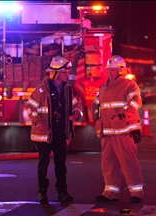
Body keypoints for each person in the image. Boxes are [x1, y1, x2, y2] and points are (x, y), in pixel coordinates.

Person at [25, 56, 82, 203]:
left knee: (61, 164)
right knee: (43, 163)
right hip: (44, 134)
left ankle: (62, 192)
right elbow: (30, 107)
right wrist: (37, 121)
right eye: (64, 72)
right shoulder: (41, 90)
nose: (67, 74)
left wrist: (76, 113)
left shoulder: (67, 89)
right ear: (55, 73)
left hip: (60, 132)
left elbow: (76, 106)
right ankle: (42, 192)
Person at [91, 55, 144, 203]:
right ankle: (110, 193)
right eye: (109, 70)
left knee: (128, 162)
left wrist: (121, 115)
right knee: (108, 162)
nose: (109, 72)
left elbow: (135, 103)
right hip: (107, 132)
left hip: (123, 131)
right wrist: (96, 119)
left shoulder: (130, 85)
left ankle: (136, 193)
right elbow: (95, 105)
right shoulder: (104, 88)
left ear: (121, 70)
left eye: (112, 70)